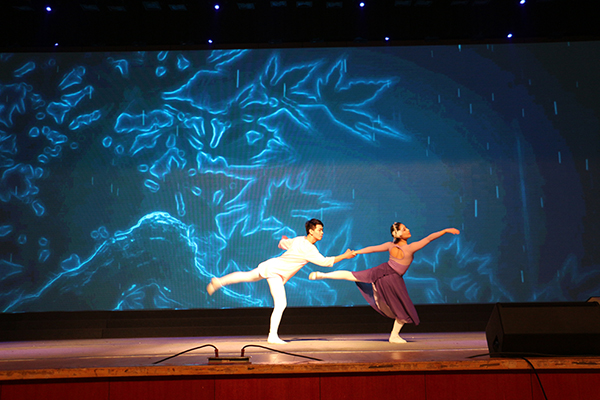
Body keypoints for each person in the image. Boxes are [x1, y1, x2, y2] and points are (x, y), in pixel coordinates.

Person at [207, 218, 355, 344]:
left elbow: (283, 243)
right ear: (311, 231)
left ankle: (219, 282)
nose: (322, 232)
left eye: (322, 230)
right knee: (281, 303)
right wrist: (345, 256)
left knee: (248, 276)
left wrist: (283, 240)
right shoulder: (309, 249)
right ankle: (272, 335)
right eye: (320, 230)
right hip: (275, 272)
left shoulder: (299, 239)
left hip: (271, 266)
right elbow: (325, 262)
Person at [309, 223, 460, 343]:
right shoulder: (410, 247)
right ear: (398, 234)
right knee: (402, 309)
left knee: (353, 275)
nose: (408, 230)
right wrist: (445, 230)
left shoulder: (390, 245)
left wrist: (356, 252)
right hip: (392, 278)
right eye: (404, 229)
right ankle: (394, 336)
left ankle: (322, 275)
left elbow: (372, 249)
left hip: (382, 271)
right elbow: (428, 238)